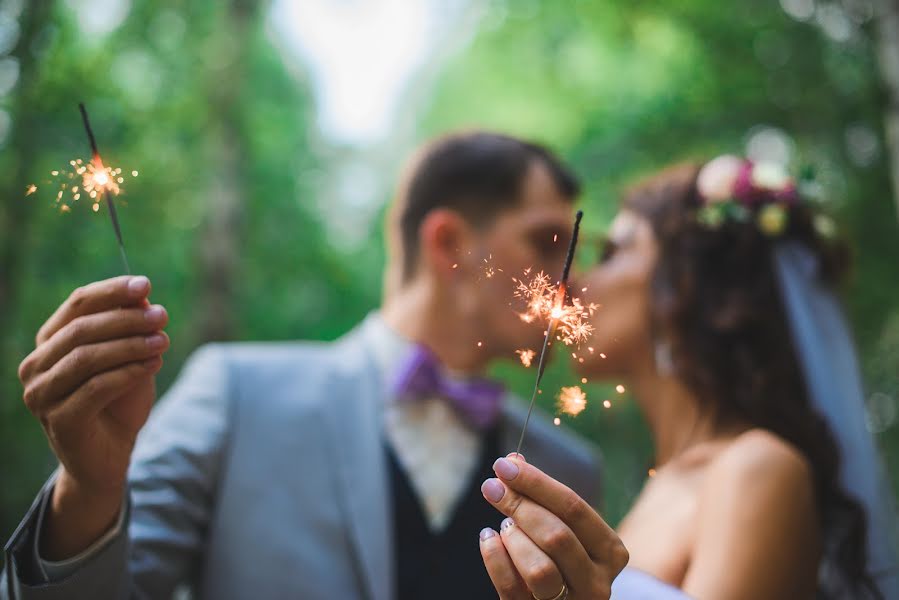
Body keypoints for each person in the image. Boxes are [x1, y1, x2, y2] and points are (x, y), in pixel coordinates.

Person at [2, 132, 622, 599]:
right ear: (450, 244)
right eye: (548, 241)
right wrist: (88, 490)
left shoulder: (568, 472)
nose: (575, 279)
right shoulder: (236, 395)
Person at [477, 156, 899, 599]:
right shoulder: (661, 486)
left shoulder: (756, 468)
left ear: (685, 286)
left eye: (611, 253)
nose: (574, 284)